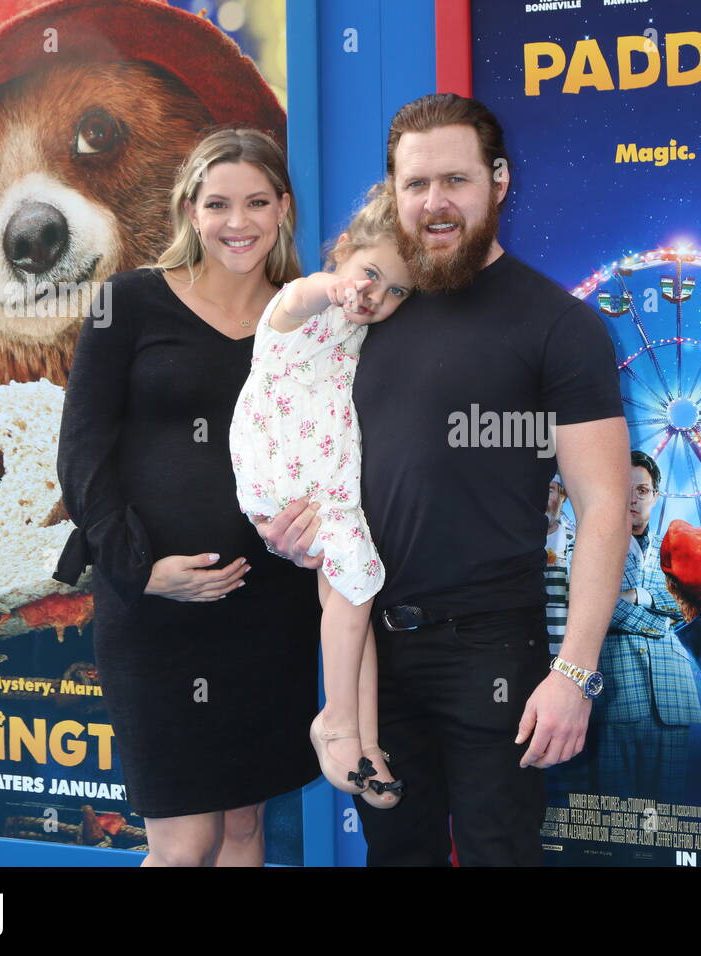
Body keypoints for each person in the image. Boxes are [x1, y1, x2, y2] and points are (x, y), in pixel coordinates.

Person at [257, 93, 629, 866]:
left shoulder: (560, 328)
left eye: (455, 181)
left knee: (500, 853)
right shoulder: (365, 312)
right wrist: (289, 529)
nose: (435, 203)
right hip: (373, 654)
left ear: (499, 181)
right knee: (396, 856)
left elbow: (603, 506)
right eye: (415, 183)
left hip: (496, 653)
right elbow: (302, 433)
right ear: (392, 192)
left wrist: (575, 674)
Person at [54, 128, 321, 866]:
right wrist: (138, 570)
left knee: (241, 829)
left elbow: (331, 448)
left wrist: (315, 520)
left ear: (284, 210)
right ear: (189, 211)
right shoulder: (128, 301)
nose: (239, 222)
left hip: (272, 613)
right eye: (219, 204)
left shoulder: (304, 318)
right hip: (157, 618)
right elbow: (80, 454)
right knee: (184, 842)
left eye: (257, 202)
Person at [229, 185, 412, 808]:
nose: (375, 296)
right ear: (342, 254)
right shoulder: (303, 305)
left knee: (350, 592)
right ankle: (335, 719)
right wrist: (330, 288)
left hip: (322, 482)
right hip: (290, 479)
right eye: (368, 274)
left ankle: (362, 738)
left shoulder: (362, 335)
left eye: (395, 291)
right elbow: (299, 294)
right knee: (354, 586)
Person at [585, 450, 700, 803]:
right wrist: (661, 621)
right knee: (616, 817)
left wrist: (638, 595)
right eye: (624, 488)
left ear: (655, 496)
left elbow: (693, 605)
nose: (633, 498)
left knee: (667, 818)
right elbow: (596, 609)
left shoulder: (678, 550)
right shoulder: (587, 546)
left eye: (642, 490)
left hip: (673, 699)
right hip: (616, 696)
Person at [544, 475, 576, 656]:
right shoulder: (509, 544)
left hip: (563, 662)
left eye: (548, 490)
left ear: (562, 496)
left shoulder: (579, 544)